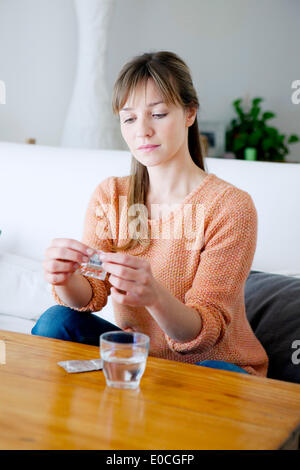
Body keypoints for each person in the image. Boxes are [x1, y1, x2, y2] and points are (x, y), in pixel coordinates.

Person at [32, 51, 268, 377]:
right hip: (139, 358)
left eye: (157, 114)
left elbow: (203, 333)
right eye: (129, 119)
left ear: (189, 113)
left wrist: (154, 295)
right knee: (56, 320)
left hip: (215, 363)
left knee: (218, 371)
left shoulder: (230, 207)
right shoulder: (111, 196)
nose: (142, 131)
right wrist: (66, 278)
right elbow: (93, 291)